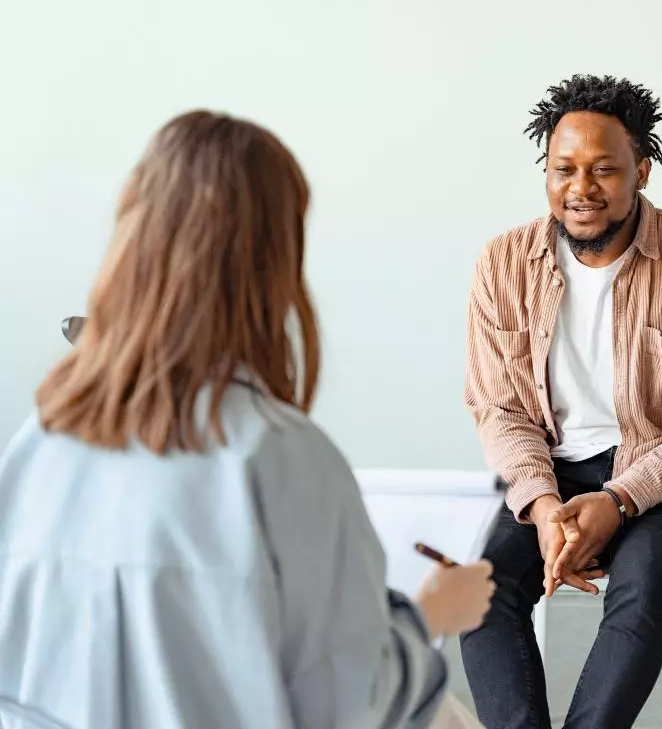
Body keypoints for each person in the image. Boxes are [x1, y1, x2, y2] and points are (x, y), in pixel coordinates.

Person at [0, 111, 494, 729]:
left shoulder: (40, 443)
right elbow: (350, 708)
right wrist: (426, 622)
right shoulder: (279, 458)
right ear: (273, 263)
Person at [461, 75, 662, 728]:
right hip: (555, 475)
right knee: (481, 590)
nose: (582, 187)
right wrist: (543, 508)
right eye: (564, 169)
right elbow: (498, 408)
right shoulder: (502, 264)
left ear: (642, 170)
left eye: (604, 169)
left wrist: (621, 499)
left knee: (642, 584)